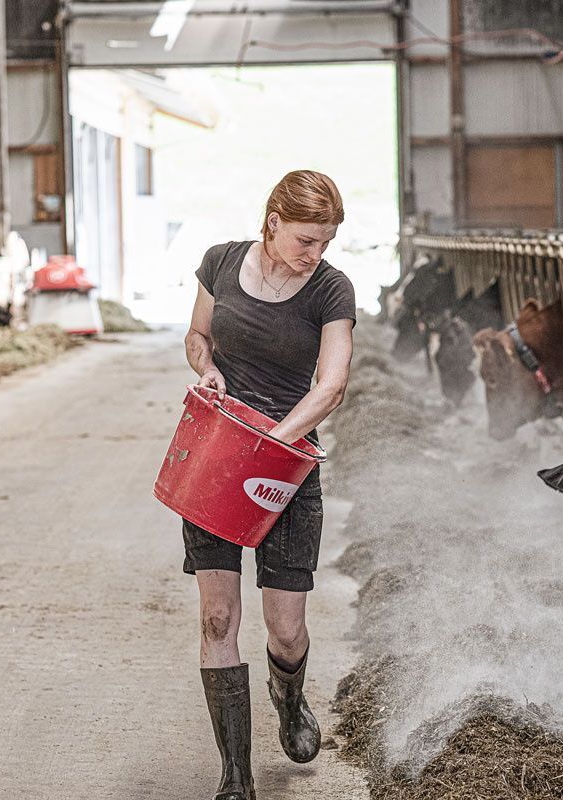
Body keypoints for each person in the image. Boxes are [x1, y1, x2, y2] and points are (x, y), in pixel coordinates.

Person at [183, 170, 356, 800]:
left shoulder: (331, 290)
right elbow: (197, 336)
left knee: (284, 629)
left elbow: (331, 385)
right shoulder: (221, 262)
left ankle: (289, 697)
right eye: (307, 240)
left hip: (284, 467)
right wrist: (207, 372)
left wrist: (277, 442)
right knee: (217, 617)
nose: (316, 254)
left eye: (326, 242)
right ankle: (235, 775)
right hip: (217, 456)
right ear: (273, 221)